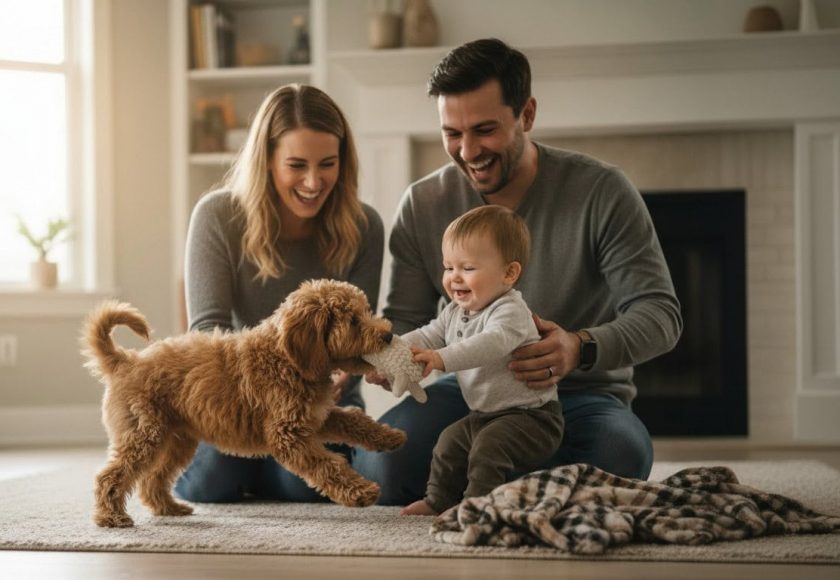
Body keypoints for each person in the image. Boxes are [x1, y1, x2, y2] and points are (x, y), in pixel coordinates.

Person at [355, 38, 682, 506]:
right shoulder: (424, 204)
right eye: (452, 133)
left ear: (526, 115)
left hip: (579, 397)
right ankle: (514, 483)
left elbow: (660, 315)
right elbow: (406, 320)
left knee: (620, 454)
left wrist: (578, 346)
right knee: (384, 463)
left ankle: (489, 481)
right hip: (471, 396)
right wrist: (395, 360)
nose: (467, 151)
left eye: (484, 130)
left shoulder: (601, 191)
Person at [174, 84, 384, 503]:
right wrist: (273, 390)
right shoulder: (217, 216)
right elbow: (207, 330)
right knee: (209, 483)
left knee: (304, 487)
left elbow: (359, 336)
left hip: (320, 405)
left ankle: (268, 472)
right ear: (267, 161)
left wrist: (340, 373)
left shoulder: (364, 226)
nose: (313, 181)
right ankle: (252, 468)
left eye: (327, 164)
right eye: (296, 165)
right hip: (235, 404)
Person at [398, 205, 564, 516]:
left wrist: (440, 358)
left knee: (488, 450)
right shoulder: (455, 311)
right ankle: (438, 500)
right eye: (449, 267)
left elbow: (489, 344)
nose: (454, 278)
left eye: (468, 268)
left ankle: (477, 506)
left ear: (509, 273)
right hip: (485, 414)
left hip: (533, 418)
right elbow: (430, 333)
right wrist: (392, 349)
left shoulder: (510, 311)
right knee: (449, 443)